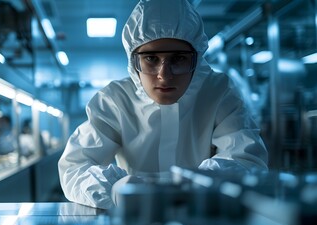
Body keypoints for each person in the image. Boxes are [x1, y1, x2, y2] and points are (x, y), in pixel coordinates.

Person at [58, 0, 268, 209]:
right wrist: (115, 189)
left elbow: (247, 160)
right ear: (134, 61)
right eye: (150, 58)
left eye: (178, 59)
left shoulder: (218, 92)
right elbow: (74, 167)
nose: (164, 75)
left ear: (196, 58)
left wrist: (197, 185)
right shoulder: (114, 100)